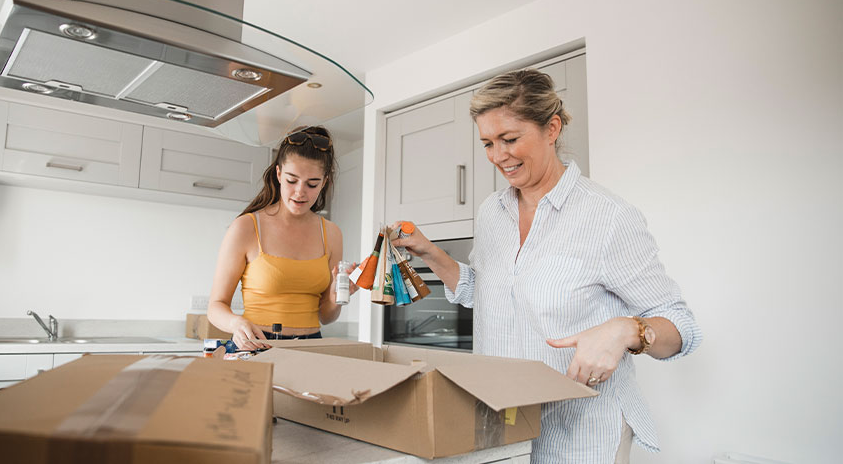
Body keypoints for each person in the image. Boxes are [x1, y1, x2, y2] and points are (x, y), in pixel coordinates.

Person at [390, 69, 702, 463]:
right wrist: (429, 252)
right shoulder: (492, 212)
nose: (497, 156)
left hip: (582, 433)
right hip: (501, 423)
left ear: (551, 128)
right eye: (487, 143)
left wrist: (628, 330)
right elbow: (481, 291)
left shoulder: (607, 217)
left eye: (510, 139)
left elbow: (681, 327)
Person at [207, 125, 354, 351]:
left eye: (312, 183)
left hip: (311, 349)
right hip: (256, 346)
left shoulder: (332, 234)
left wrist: (336, 297)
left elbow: (326, 316)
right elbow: (216, 306)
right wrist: (236, 323)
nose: (300, 192)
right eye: (291, 180)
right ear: (278, 174)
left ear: (325, 182)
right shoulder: (247, 227)